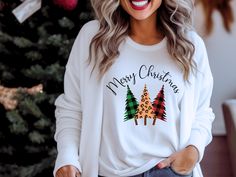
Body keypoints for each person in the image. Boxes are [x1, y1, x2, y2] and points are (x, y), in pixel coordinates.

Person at [53, 0, 215, 177]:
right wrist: (67, 157)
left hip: (169, 171)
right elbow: (71, 108)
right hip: (109, 172)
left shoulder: (190, 45)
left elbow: (202, 112)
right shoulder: (93, 37)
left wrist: (194, 150)